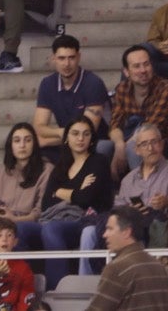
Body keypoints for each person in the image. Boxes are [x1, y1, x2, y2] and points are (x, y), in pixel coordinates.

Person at [35, 118, 112, 288]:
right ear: (66, 138)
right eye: (75, 134)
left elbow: (87, 199)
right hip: (55, 217)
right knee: (20, 231)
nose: (80, 139)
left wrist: (61, 192)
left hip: (86, 219)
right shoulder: (61, 166)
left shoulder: (98, 161)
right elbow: (47, 203)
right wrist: (78, 189)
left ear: (92, 138)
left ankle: (58, 289)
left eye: (86, 134)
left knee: (51, 229)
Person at [102, 45, 168, 179]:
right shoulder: (122, 88)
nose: (143, 70)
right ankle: (106, 192)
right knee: (103, 147)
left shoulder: (165, 88)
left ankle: (143, 190)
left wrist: (126, 145)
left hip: (165, 141)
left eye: (146, 64)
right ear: (126, 72)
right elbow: (115, 124)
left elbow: (151, 128)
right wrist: (119, 144)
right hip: (133, 137)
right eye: (136, 66)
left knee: (135, 147)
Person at [32, 34, 110, 158]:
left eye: (71, 58)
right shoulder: (48, 84)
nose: (66, 64)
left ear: (79, 57)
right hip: (66, 142)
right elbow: (39, 127)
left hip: (94, 143)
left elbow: (85, 133)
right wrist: (60, 132)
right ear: (53, 59)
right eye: (61, 58)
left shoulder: (93, 83)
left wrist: (47, 141)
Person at [83, 208, 168, 311]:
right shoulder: (159, 267)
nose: (104, 234)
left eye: (109, 229)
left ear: (126, 232)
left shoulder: (116, 268)